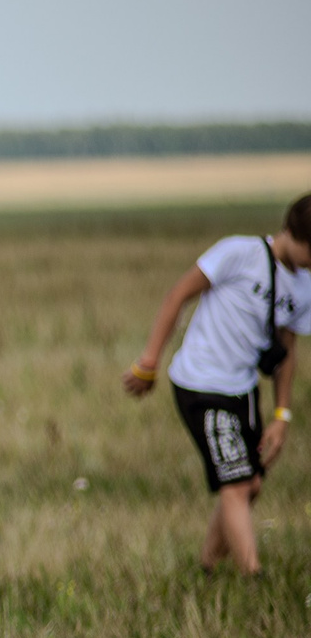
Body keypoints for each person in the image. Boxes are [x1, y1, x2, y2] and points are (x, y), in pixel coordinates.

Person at [122, 192, 310, 576]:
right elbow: (179, 295)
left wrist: (282, 415)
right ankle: (253, 578)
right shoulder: (238, 253)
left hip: (242, 390)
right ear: (291, 231)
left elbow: (286, 351)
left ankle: (206, 568)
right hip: (201, 383)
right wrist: (149, 362)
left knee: (250, 483)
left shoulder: (305, 287)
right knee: (237, 485)